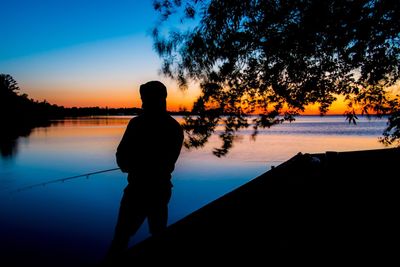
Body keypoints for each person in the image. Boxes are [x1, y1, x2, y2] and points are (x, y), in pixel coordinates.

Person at [106, 80, 184, 259]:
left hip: (137, 191)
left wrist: (133, 165)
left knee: (121, 238)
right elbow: (168, 163)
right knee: (157, 234)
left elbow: (122, 158)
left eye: (145, 99)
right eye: (142, 99)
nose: (142, 103)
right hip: (161, 190)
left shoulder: (137, 124)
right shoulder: (174, 128)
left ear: (158, 98)